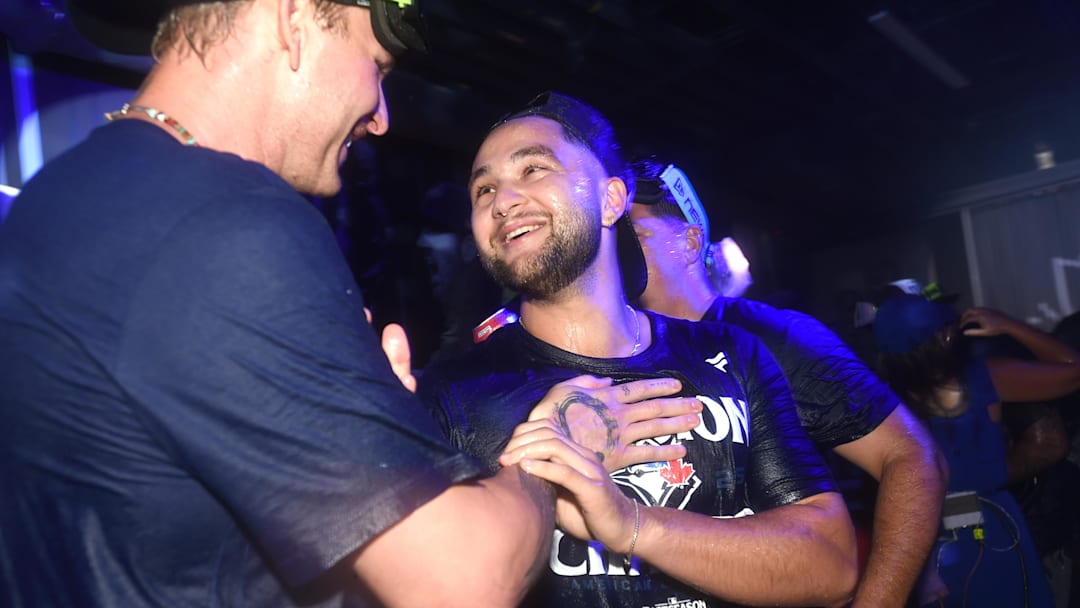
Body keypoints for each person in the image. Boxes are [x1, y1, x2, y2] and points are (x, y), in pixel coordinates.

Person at [0, 2, 703, 606]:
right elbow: (460, 582)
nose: (382, 117)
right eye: (378, 65)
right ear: (295, 18)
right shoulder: (229, 220)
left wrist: (363, 429)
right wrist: (560, 449)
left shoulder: (67, 198)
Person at [419, 90, 858, 607]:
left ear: (611, 199)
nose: (502, 201)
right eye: (483, 190)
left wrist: (634, 526)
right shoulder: (450, 395)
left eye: (534, 169)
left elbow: (831, 565)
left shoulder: (733, 355)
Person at [627, 159, 947, 608]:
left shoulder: (772, 337)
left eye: (634, 234)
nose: (616, 249)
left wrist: (879, 601)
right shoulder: (616, 353)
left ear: (689, 241)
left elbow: (913, 456)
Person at [873, 295, 1080, 607]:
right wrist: (1010, 326)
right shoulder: (984, 378)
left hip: (927, 542)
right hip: (992, 525)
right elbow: (1073, 370)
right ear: (944, 335)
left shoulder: (880, 406)